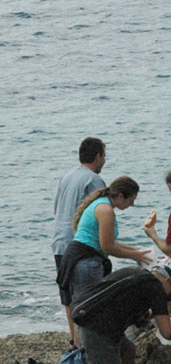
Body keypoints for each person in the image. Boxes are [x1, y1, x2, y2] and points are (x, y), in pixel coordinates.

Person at [57, 176, 151, 338]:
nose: (132, 204)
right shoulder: (105, 210)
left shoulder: (101, 204)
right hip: (85, 263)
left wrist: (136, 249)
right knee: (89, 308)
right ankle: (87, 347)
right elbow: (108, 247)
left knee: (82, 305)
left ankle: (80, 345)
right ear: (120, 196)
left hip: (80, 257)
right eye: (131, 200)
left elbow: (107, 241)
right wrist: (135, 256)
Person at [52, 137, 107, 347]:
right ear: (98, 156)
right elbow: (98, 213)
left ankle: (75, 341)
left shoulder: (67, 177)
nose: (104, 161)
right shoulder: (94, 180)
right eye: (104, 156)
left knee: (67, 295)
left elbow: (57, 209)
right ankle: (86, 343)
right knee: (86, 296)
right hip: (79, 244)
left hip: (59, 240)